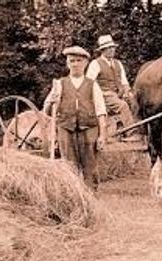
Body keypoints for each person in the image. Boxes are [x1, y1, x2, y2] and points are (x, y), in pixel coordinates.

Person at [43, 46, 107, 191]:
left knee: (90, 166)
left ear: (85, 63)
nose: (75, 64)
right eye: (72, 61)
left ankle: (91, 198)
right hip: (66, 129)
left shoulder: (93, 85)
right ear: (67, 63)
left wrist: (102, 135)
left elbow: (101, 111)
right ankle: (72, 196)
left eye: (79, 61)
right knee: (69, 166)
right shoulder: (59, 84)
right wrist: (51, 102)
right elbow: (46, 110)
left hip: (89, 129)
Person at [86, 34, 137, 140]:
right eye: (108, 48)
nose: (112, 50)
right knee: (122, 106)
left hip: (118, 94)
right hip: (104, 96)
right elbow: (89, 83)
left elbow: (124, 82)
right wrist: (99, 95)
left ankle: (137, 129)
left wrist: (128, 92)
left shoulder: (118, 63)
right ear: (102, 50)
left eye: (112, 47)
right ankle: (131, 133)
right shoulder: (95, 64)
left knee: (135, 101)